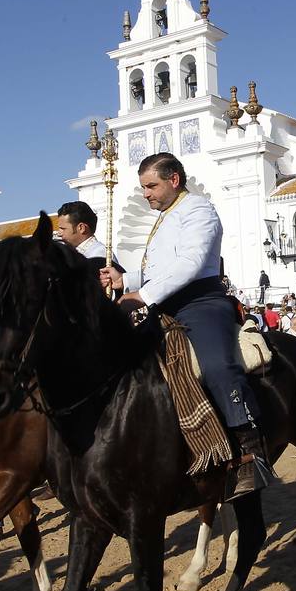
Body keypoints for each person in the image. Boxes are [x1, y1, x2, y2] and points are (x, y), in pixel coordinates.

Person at [100, 153, 270, 496]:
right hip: (164, 300)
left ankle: (250, 451)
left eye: (151, 186)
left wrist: (141, 296)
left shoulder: (198, 210)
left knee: (217, 366)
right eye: (143, 187)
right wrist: (124, 279)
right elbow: (160, 268)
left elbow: (191, 264)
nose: (146, 193)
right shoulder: (165, 217)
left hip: (201, 302)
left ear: (174, 180)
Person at [56, 200, 108, 267]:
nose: (59, 234)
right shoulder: (73, 254)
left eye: (63, 229)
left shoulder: (99, 255)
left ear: (81, 228)